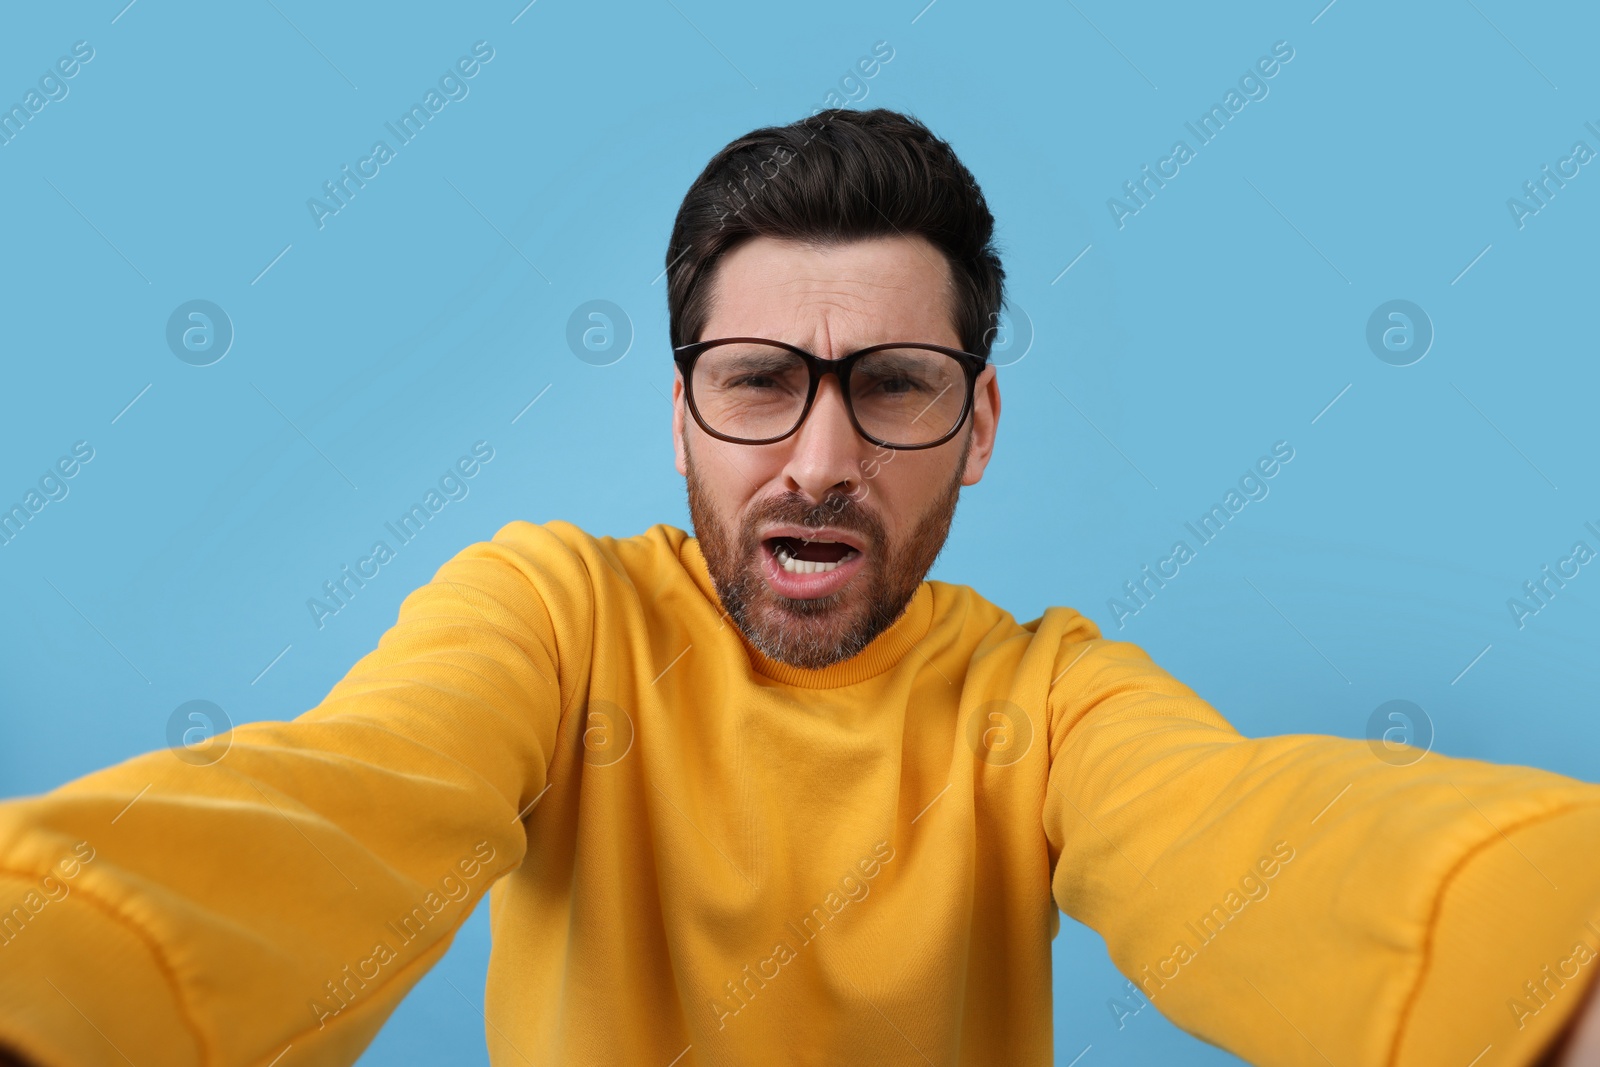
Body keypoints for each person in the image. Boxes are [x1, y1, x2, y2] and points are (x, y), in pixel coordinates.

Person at [1, 107, 1597, 1067]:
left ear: (975, 426)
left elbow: (1252, 841)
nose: (821, 457)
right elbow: (344, 802)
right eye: (761, 380)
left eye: (894, 384)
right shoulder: (555, 621)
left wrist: (1556, 960)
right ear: (681, 413)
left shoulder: (1045, 702)